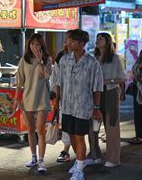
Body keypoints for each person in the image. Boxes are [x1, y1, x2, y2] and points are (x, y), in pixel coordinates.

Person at [56, 29, 103, 180]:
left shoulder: (91, 62)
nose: (68, 42)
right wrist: (57, 103)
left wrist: (96, 108)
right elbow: (59, 83)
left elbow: (97, 87)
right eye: (68, 40)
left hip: (83, 107)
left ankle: (79, 172)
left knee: (80, 137)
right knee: (71, 136)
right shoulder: (64, 60)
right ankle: (79, 162)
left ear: (81, 44)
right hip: (67, 106)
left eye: (71, 41)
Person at [13, 33, 52, 174]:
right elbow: (19, 81)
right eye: (32, 44)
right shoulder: (25, 60)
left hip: (42, 98)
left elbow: (46, 75)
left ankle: (41, 161)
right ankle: (34, 157)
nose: (34, 46)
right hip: (27, 98)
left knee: (40, 130)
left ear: (42, 45)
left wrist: (41, 60)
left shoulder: (47, 59)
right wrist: (17, 98)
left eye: (37, 44)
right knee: (30, 129)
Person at [89, 33, 126, 167]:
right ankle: (95, 154)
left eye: (101, 39)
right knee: (93, 126)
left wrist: (107, 81)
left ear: (108, 42)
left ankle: (113, 158)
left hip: (110, 92)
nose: (98, 41)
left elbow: (122, 78)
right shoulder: (94, 58)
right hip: (95, 93)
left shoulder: (115, 58)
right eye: (97, 38)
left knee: (111, 125)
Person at [51, 31, 72, 163]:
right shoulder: (61, 55)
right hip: (64, 96)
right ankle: (66, 150)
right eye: (66, 38)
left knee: (77, 127)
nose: (66, 41)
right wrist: (56, 94)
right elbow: (56, 75)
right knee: (65, 123)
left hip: (79, 98)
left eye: (69, 38)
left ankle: (81, 154)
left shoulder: (85, 58)